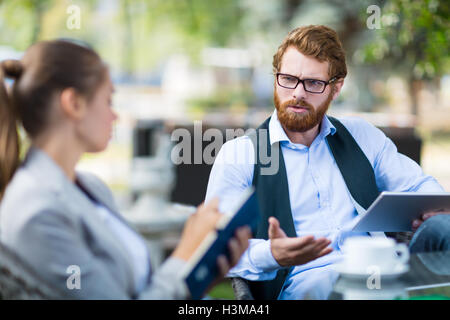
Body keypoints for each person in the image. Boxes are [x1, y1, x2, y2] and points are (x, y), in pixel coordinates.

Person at [205, 25, 450, 300]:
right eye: (288, 79)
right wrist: (271, 254)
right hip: (313, 283)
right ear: (276, 78)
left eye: (313, 83)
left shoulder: (361, 136)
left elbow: (419, 185)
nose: (298, 93)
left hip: (383, 269)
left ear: (336, 88)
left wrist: (438, 208)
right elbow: (214, 251)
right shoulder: (240, 154)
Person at [0, 39, 251, 299]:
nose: (114, 116)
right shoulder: (36, 210)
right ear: (73, 104)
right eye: (108, 100)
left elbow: (142, 288)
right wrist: (186, 252)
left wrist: (203, 268)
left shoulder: (89, 187)